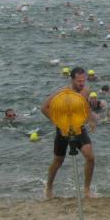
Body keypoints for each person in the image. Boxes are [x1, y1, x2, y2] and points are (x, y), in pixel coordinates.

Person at [41, 67, 96, 200]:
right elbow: (44, 108)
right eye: (79, 81)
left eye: (83, 80)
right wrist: (58, 122)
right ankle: (49, 187)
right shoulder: (62, 93)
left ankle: (86, 189)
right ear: (72, 80)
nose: (82, 84)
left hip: (78, 128)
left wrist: (90, 119)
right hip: (63, 129)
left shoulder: (86, 91)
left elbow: (85, 106)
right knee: (58, 160)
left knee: (90, 157)